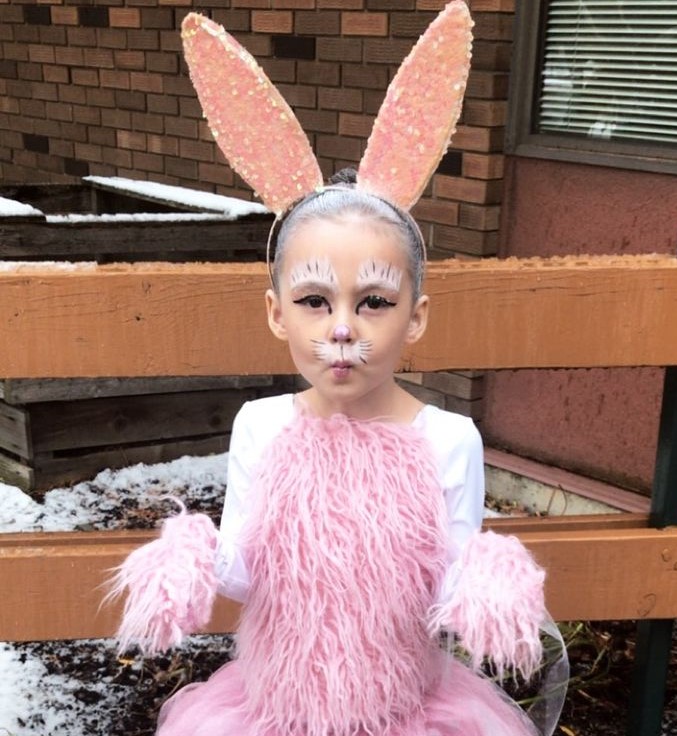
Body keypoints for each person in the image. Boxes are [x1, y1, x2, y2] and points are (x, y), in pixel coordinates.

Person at [110, 4, 566, 735]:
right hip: (270, 711)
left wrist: (490, 583)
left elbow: (446, 590)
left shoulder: (449, 440)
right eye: (315, 301)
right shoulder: (261, 427)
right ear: (276, 313)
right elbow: (244, 573)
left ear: (415, 316)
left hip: (407, 712)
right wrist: (190, 559)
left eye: (375, 301)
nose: (344, 328)